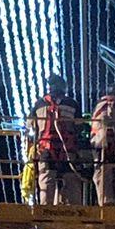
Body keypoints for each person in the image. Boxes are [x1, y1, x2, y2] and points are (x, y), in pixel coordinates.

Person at [27, 75, 84, 205]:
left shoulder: (39, 104)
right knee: (71, 182)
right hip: (67, 151)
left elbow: (30, 127)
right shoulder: (72, 104)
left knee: (46, 180)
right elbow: (79, 127)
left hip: (45, 150)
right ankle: (74, 210)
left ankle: (45, 209)